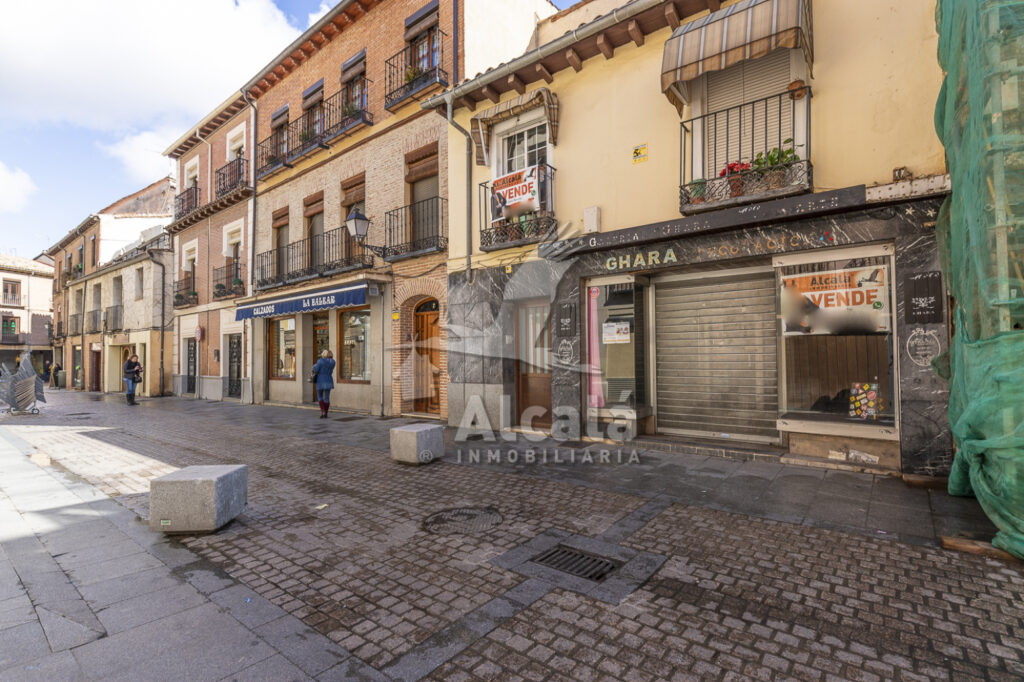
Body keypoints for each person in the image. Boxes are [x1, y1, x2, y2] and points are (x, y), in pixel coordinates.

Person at [311, 349, 335, 418]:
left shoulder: (320, 361)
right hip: (329, 379)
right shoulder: (333, 362)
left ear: (324, 354)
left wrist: (314, 366)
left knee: (319, 396)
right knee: (327, 397)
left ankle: (323, 411)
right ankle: (326, 413)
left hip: (320, 380)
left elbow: (315, 369)